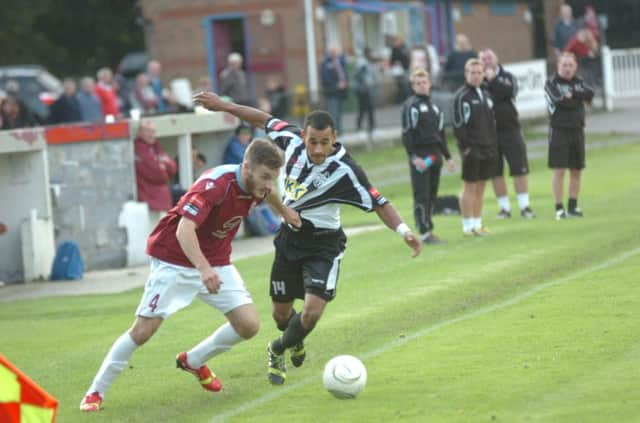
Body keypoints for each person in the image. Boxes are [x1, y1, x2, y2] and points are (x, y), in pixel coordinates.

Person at [192, 90, 422, 386]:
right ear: (303, 136)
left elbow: (378, 201)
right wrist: (224, 106)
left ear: (334, 138)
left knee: (312, 312)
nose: (317, 149)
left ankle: (277, 349)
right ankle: (293, 338)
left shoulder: (346, 169)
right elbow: (262, 118)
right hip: (289, 239)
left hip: (324, 244)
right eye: (312, 141)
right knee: (280, 314)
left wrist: (404, 231)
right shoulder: (290, 141)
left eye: (324, 142)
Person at [79, 138, 297, 412]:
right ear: (246, 167)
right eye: (265, 177)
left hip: (215, 260)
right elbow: (185, 229)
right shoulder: (215, 185)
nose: (268, 185)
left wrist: (284, 211)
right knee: (144, 330)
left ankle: (193, 361)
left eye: (272, 178)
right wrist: (204, 269)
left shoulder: (259, 183)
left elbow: (270, 192)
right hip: (175, 258)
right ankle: (95, 392)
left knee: (249, 325)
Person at [479, 49, 536, 219]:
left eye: (489, 57)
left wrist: (493, 79)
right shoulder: (477, 81)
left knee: (519, 169)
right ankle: (504, 209)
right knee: (495, 172)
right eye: (484, 59)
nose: (487, 61)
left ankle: (525, 207)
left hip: (510, 130)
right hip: (489, 134)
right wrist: (486, 80)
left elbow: (508, 92)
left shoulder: (507, 77)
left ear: (496, 58)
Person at [401, 68, 456, 244]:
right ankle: (424, 231)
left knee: (432, 193)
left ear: (429, 84)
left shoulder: (435, 107)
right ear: (413, 85)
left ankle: (429, 227)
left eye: (424, 82)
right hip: (421, 156)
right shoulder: (411, 106)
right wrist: (413, 156)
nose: (421, 86)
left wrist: (448, 157)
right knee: (422, 194)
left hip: (435, 156)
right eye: (418, 83)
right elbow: (407, 133)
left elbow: (440, 135)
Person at [544, 52, 594, 220]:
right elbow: (559, 101)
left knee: (576, 170)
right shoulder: (551, 83)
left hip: (577, 129)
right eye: (564, 65)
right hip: (559, 130)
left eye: (570, 65)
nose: (567, 68)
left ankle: (573, 206)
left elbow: (590, 93)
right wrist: (577, 98)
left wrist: (573, 94)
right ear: (558, 66)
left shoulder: (579, 82)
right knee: (559, 170)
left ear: (575, 67)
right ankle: (559, 208)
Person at [452, 58, 498, 236]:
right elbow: (458, 125)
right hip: (472, 148)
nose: (477, 76)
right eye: (473, 73)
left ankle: (478, 224)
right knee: (469, 187)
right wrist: (466, 147)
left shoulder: (485, 94)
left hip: (488, 147)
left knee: (481, 186)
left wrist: (493, 143)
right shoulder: (461, 97)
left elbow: (491, 122)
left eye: (479, 72)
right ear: (466, 74)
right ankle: (467, 226)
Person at [134, 120, 177, 229]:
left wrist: (162, 167)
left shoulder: (156, 146)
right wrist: (162, 167)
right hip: (149, 202)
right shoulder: (138, 148)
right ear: (139, 133)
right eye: (147, 131)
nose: (151, 134)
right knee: (153, 236)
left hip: (163, 200)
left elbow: (172, 167)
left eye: (153, 131)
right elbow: (157, 174)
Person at [320, 45, 349, 133]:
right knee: (333, 113)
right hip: (331, 92)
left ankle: (339, 130)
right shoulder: (325, 63)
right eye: (332, 51)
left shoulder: (339, 61)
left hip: (341, 92)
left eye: (335, 51)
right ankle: (334, 132)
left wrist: (345, 82)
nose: (334, 53)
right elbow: (325, 78)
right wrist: (337, 85)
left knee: (339, 113)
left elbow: (344, 73)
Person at [354, 47, 377, 135]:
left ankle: (372, 128)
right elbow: (359, 76)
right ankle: (359, 129)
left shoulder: (366, 62)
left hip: (367, 90)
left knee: (369, 109)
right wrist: (366, 82)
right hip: (363, 91)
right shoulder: (362, 63)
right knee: (363, 110)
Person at [390, 35, 411, 102]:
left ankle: (407, 97)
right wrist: (394, 62)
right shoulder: (394, 49)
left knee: (405, 84)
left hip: (404, 68)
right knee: (399, 85)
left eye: (397, 41)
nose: (395, 43)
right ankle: (402, 98)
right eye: (395, 42)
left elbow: (406, 58)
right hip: (397, 70)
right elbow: (392, 59)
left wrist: (402, 63)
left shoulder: (403, 48)